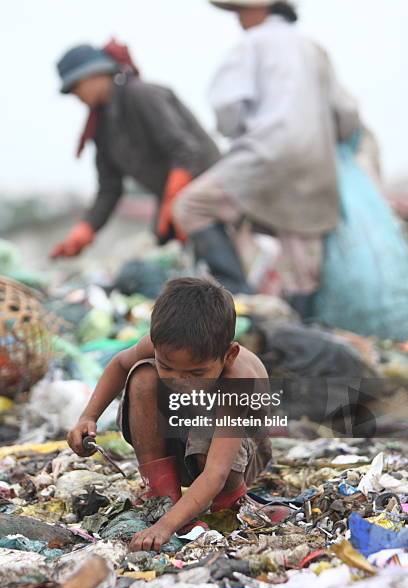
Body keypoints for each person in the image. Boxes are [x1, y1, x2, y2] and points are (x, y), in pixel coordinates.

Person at [173, 1, 361, 314]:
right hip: (316, 166)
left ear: (259, 10)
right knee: (301, 267)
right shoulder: (313, 48)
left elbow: (227, 109)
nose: (238, 19)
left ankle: (237, 298)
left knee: (190, 205)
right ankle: (301, 333)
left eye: (240, 11)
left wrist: (242, 131)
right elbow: (348, 114)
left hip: (265, 156)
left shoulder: (252, 44)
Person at [67, 278, 274, 551]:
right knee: (142, 375)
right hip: (181, 442)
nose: (179, 381)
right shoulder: (158, 345)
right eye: (168, 368)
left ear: (229, 355)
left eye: (196, 373)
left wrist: (165, 527)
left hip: (235, 461)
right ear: (154, 342)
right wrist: (88, 416)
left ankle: (229, 504)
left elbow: (215, 472)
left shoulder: (238, 380)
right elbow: (119, 365)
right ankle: (163, 497)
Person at [51, 41, 220, 258]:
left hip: (208, 189)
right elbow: (109, 188)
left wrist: (173, 201)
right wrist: (85, 229)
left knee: (217, 263)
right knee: (160, 258)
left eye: (76, 86)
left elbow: (186, 151)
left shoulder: (141, 95)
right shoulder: (101, 126)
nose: (77, 95)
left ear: (95, 75)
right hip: (173, 200)